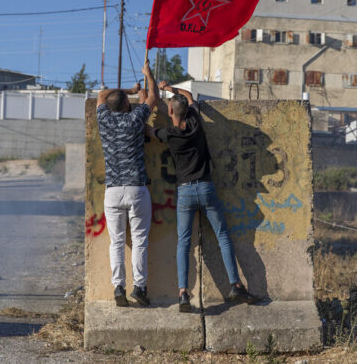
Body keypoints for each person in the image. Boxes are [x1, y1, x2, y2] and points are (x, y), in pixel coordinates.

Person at [148, 81, 257, 312]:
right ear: (186, 110)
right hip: (206, 188)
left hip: (185, 192)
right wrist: (170, 87)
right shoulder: (196, 124)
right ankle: (235, 284)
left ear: (170, 113)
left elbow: (147, 130)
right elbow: (188, 94)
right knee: (223, 236)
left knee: (183, 243)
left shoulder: (169, 134)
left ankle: (183, 293)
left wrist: (148, 97)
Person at [96, 60, 158, 307]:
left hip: (112, 190)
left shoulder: (103, 120)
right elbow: (153, 97)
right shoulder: (135, 120)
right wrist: (148, 76)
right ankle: (140, 288)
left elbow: (101, 94)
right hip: (136, 188)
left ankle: (118, 287)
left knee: (117, 242)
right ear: (125, 106)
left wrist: (130, 92)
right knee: (140, 240)